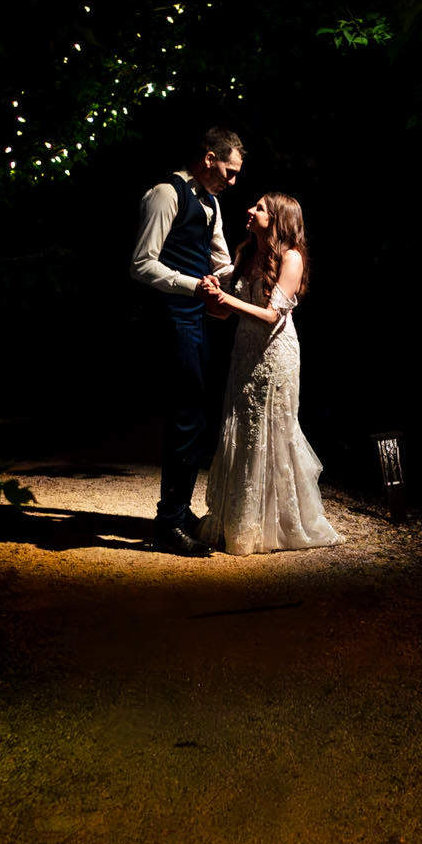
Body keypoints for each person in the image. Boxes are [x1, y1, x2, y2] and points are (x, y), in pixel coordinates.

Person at [195, 193, 341, 555]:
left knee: (271, 430)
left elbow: (272, 315)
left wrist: (228, 301)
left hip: (275, 355)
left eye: (260, 208)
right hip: (244, 352)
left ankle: (278, 523)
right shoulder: (246, 255)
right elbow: (226, 314)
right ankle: (238, 519)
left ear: (277, 218)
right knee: (242, 429)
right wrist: (213, 297)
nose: (250, 210)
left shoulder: (292, 258)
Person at [127, 128, 243, 554]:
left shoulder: (211, 204)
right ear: (208, 158)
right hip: (170, 316)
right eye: (229, 172)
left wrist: (257, 259)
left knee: (194, 415)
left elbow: (222, 264)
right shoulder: (165, 193)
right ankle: (170, 522)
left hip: (194, 317)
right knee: (185, 415)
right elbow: (142, 264)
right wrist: (194, 286)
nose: (233, 182)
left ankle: (176, 511)